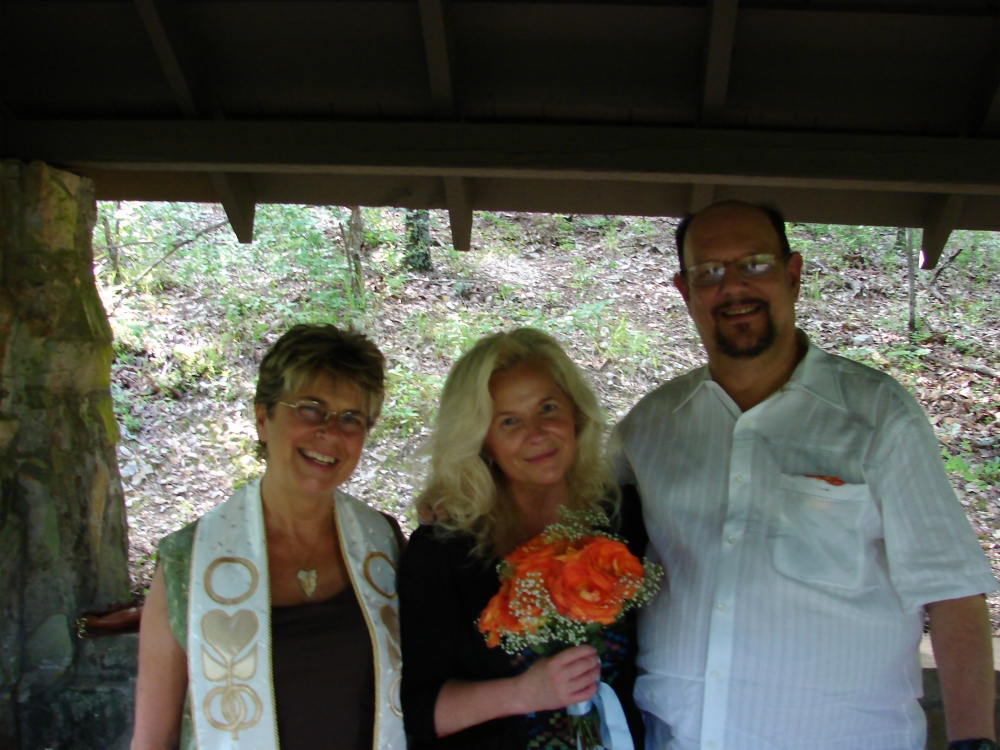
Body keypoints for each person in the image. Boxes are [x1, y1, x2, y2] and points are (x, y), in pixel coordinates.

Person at [613, 200, 999, 750]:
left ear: (793, 275)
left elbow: (954, 592)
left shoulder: (878, 415)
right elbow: (562, 511)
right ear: (685, 290)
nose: (734, 286)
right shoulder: (650, 427)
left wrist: (974, 743)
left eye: (755, 264)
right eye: (710, 272)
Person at [131, 324, 406, 750]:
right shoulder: (187, 560)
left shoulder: (384, 542)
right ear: (263, 418)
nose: (331, 432)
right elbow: (154, 739)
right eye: (311, 409)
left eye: (351, 418)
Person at [399, 328, 647, 749]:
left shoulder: (624, 517)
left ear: (575, 414)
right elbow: (419, 712)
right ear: (482, 440)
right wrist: (524, 694)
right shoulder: (443, 551)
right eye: (509, 421)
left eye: (548, 408)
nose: (537, 433)